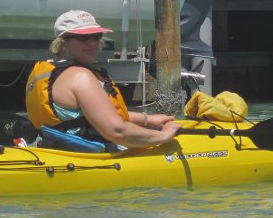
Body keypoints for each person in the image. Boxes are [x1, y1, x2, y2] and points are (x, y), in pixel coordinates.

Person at [25, 10, 181, 149]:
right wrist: (164, 135)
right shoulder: (80, 77)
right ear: (62, 43)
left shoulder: (52, 72)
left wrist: (148, 119)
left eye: (96, 36)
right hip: (88, 157)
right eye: (83, 37)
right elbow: (117, 131)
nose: (92, 42)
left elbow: (95, 113)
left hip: (56, 147)